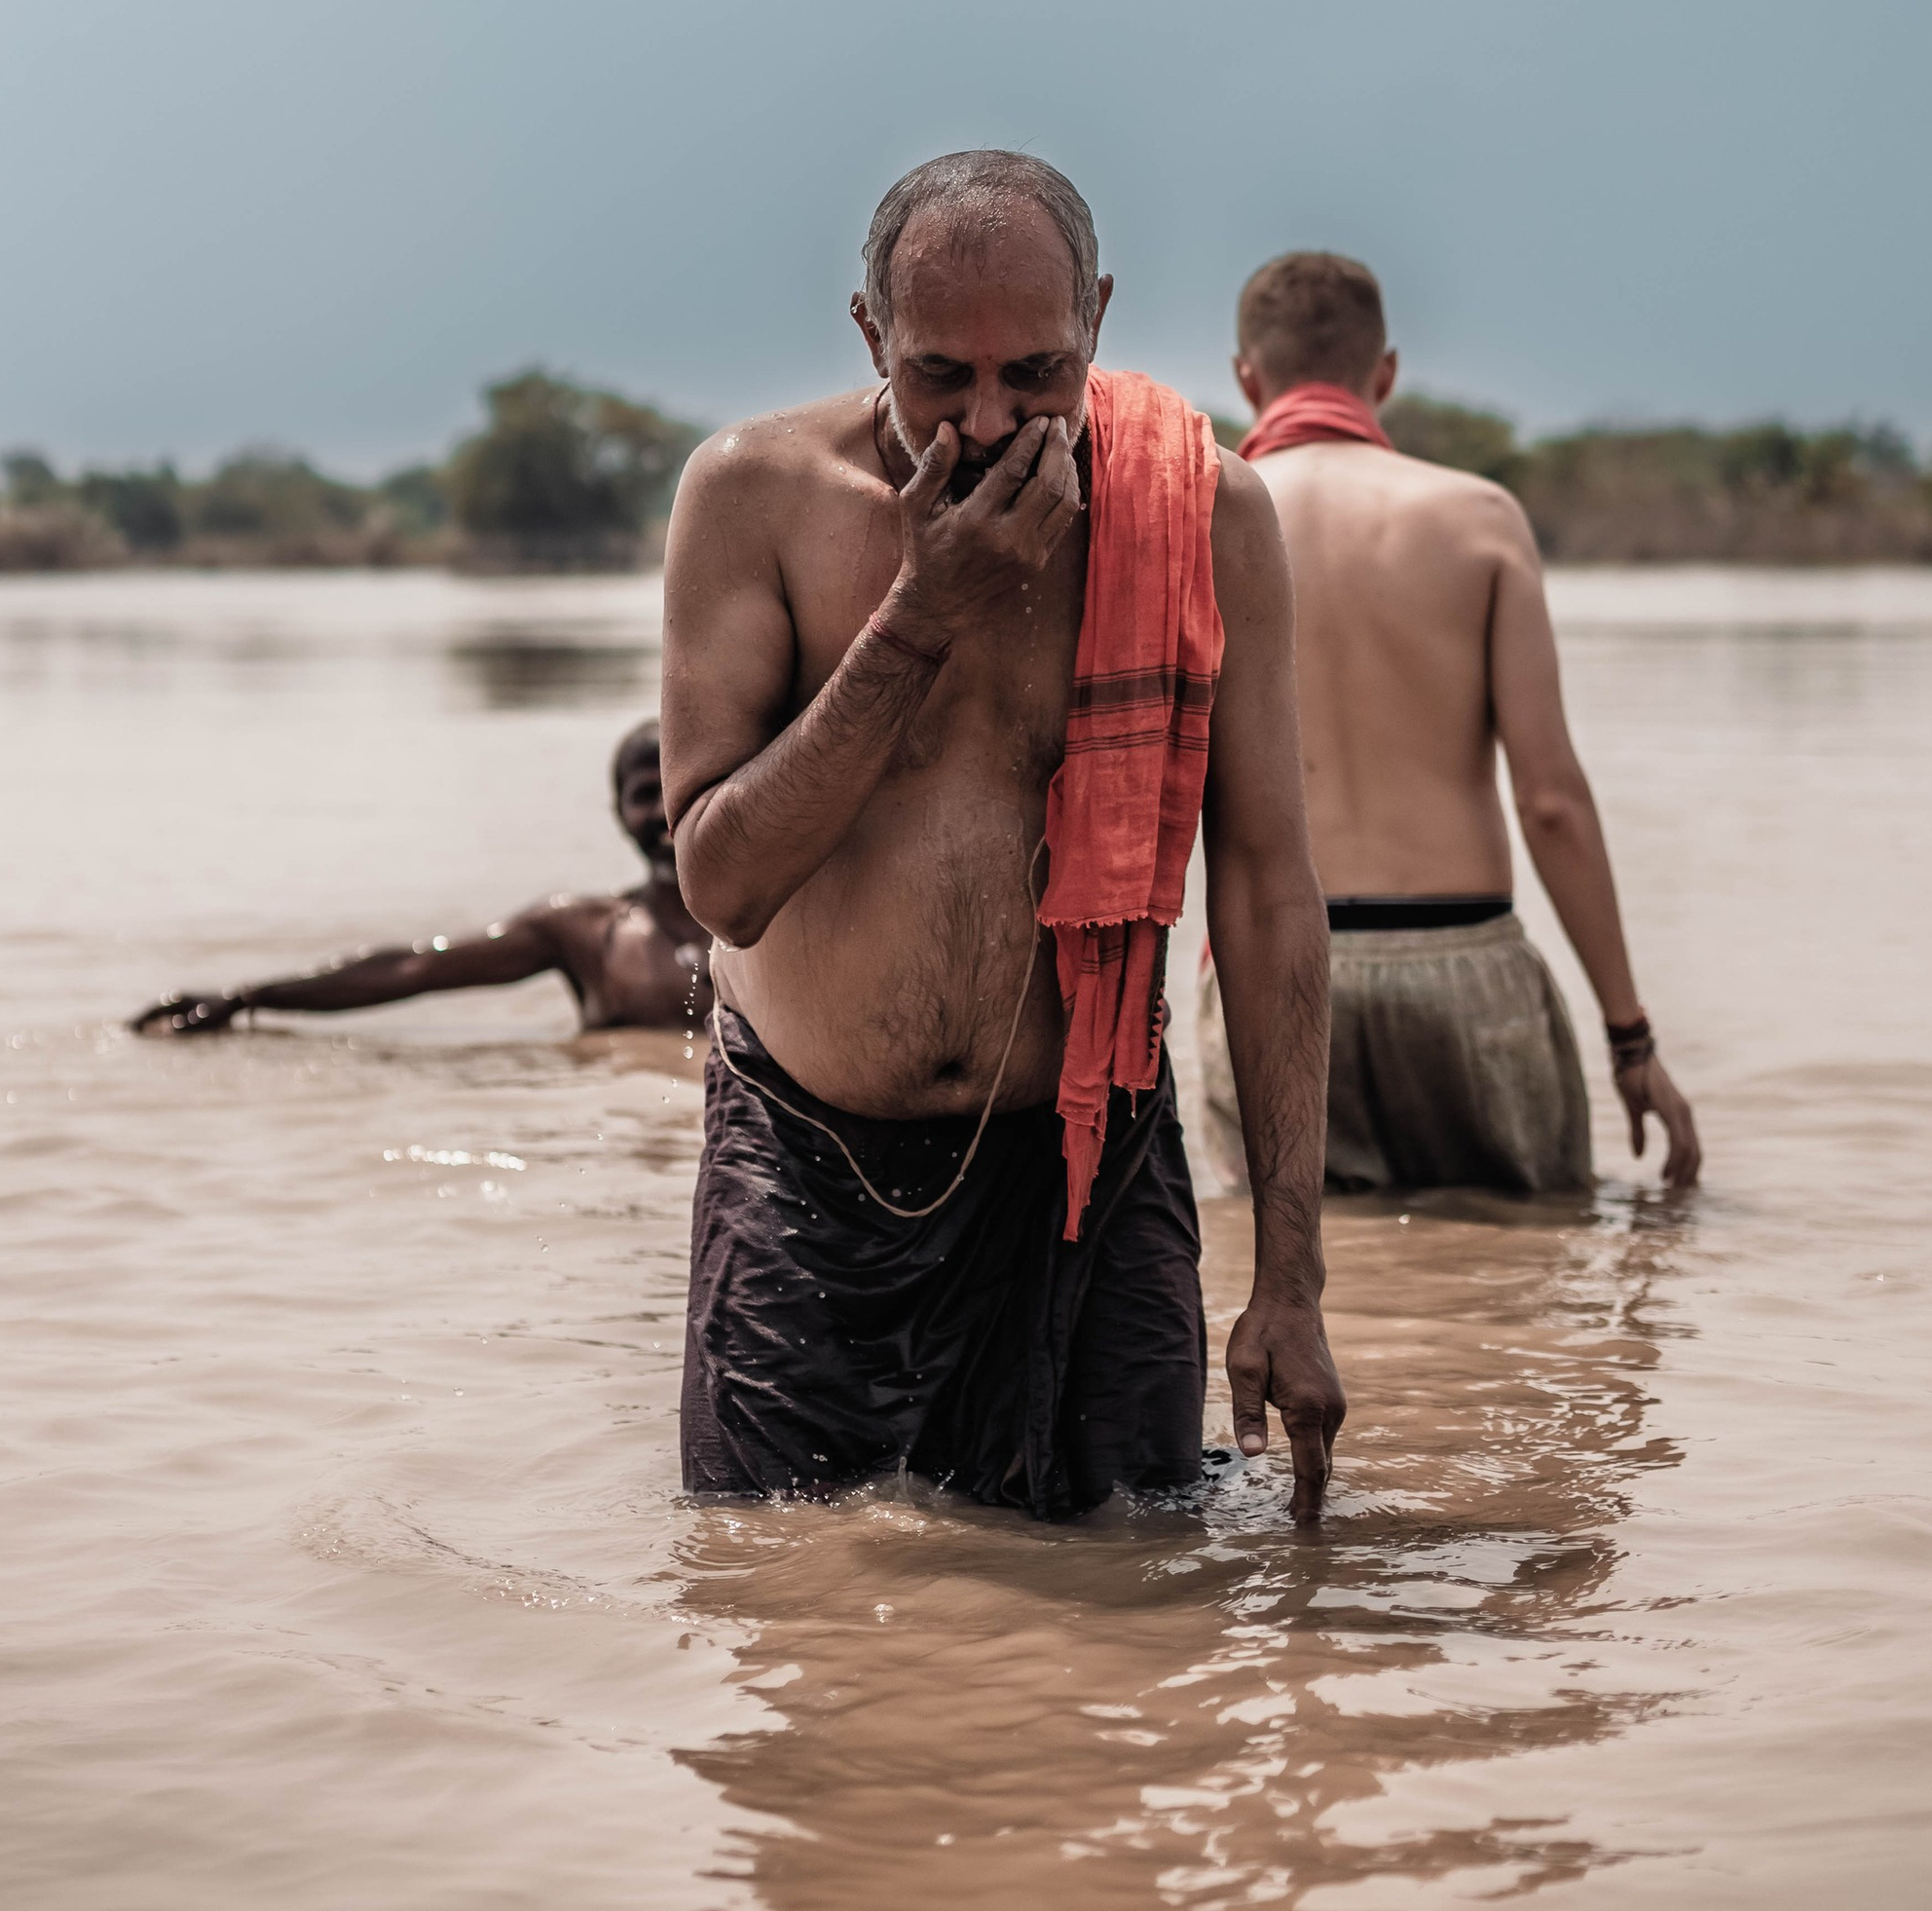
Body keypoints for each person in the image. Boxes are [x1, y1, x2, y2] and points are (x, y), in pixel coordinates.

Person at [663, 149, 1344, 1524]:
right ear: (870, 335)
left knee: (1131, 1614)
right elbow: (723, 884)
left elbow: (1267, 894)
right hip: (809, 1166)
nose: (985, 422)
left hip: (1090, 1161)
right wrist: (921, 614)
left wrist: (1291, 1282)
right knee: (782, 1618)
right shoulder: (754, 499)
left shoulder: (1202, 514)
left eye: (1034, 375)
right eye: (939, 378)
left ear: (1096, 319)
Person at [1202, 250, 1701, 1199]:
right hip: (1463, 964)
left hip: (1267, 972)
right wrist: (1628, 1037)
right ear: (1382, 373)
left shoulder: (1195, 521)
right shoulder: (1478, 517)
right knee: (1522, 1296)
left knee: (1301, 1289)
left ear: (1244, 377)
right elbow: (1550, 800)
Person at [128, 720, 708, 1035]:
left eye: (676, 787)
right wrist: (251, 998)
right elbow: (412, 967)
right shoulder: (586, 933)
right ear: (617, 814)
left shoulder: (784, 916)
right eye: (642, 795)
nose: (663, 813)